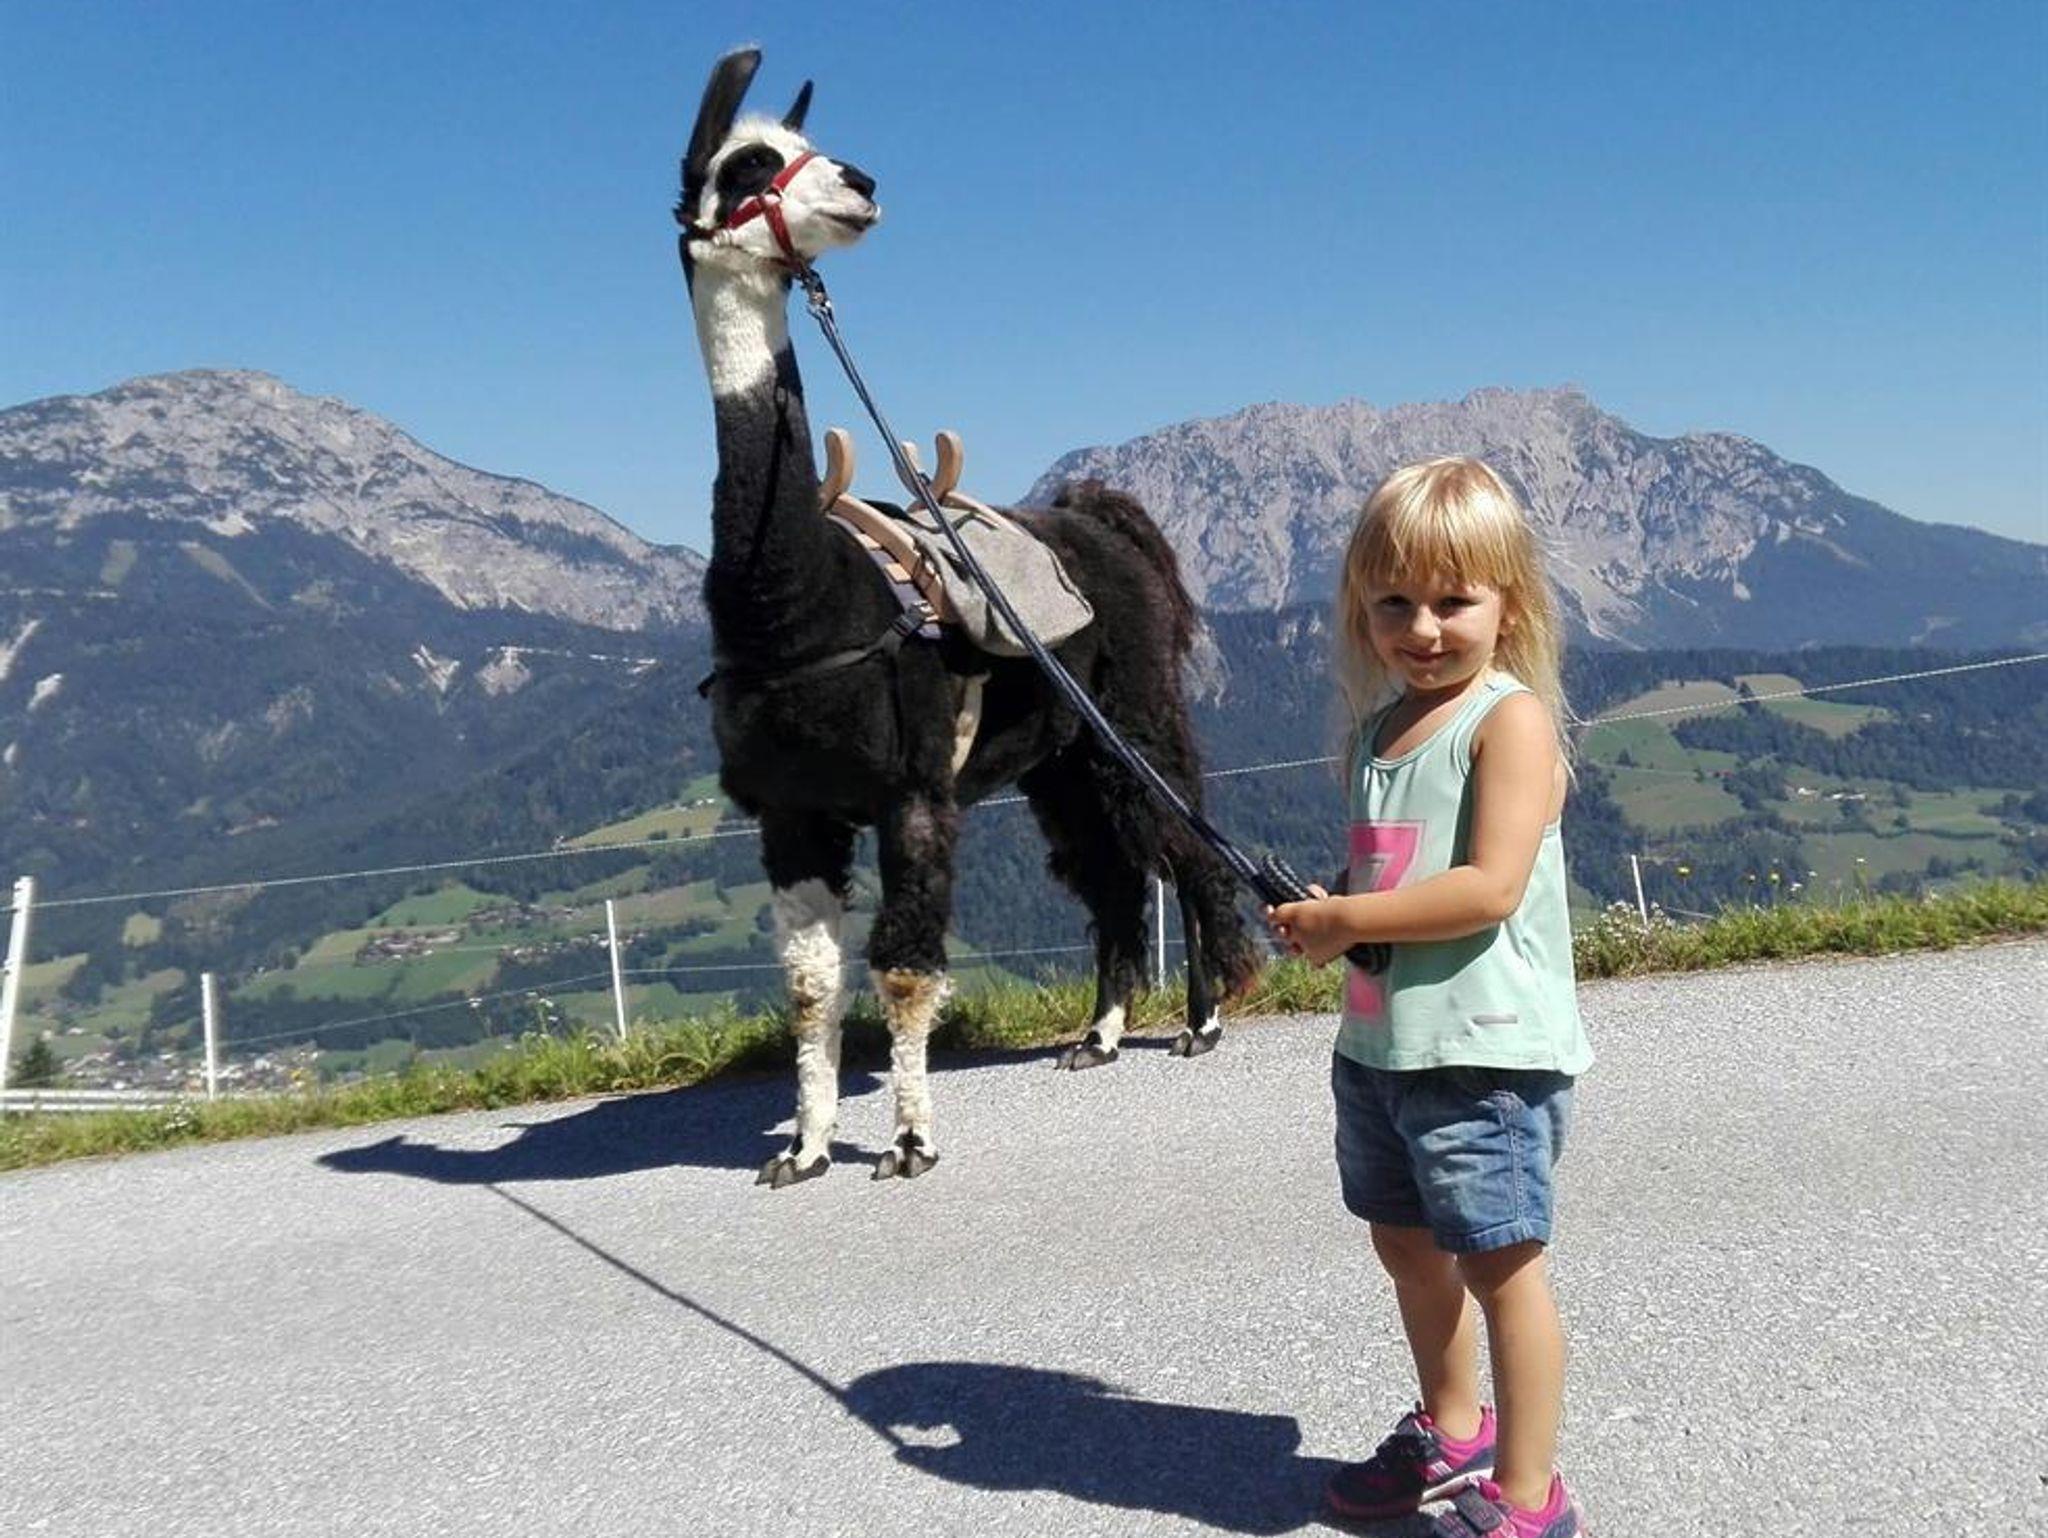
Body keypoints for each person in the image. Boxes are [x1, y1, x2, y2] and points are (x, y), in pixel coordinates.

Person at [1267, 457, 1592, 1537]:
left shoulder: (1509, 722)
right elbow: (1395, 875)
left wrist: (1351, 918)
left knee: (1502, 1265)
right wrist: (1336, 906)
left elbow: (1487, 887)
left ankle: (1530, 1496)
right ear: (1359, 610)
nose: (1422, 627)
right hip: (1381, 1046)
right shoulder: (1378, 730)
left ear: (1511, 606)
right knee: (1404, 1242)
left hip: (1482, 1050)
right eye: (1393, 601)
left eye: (1453, 601)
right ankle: (1454, 1424)